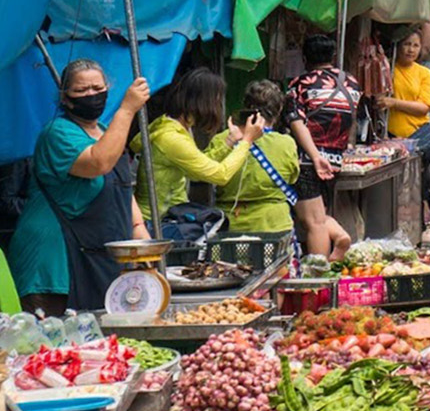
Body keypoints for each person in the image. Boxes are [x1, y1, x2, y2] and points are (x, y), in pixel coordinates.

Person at [8, 61, 152, 314]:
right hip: (54, 261)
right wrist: (127, 110)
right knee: (58, 345)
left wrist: (141, 239)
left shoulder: (106, 132)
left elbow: (121, 190)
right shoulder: (57, 133)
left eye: (97, 87)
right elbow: (99, 162)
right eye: (81, 90)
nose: (91, 95)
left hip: (95, 254)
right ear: (66, 98)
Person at [134, 68, 259, 219]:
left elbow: (195, 168)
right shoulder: (172, 138)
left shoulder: (171, 125)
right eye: (216, 101)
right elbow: (221, 175)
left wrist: (229, 141)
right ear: (203, 101)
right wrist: (247, 141)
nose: (218, 107)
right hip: (158, 222)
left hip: (169, 215)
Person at [284, 33, 362, 258]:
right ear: (333, 56)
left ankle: (318, 275)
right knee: (319, 213)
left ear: (305, 58)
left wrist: (315, 155)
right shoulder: (352, 83)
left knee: (313, 222)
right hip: (335, 161)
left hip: (309, 161)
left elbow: (296, 121)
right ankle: (336, 236)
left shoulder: (300, 84)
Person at [379, 30, 430, 226]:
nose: (411, 49)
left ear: (421, 49)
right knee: (411, 177)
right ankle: (419, 216)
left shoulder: (424, 73)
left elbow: (425, 107)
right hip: (394, 134)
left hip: (419, 133)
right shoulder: (388, 69)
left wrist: (393, 103)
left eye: (415, 45)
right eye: (407, 44)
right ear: (398, 46)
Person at [211, 82, 302, 235]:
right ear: (278, 110)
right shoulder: (286, 143)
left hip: (229, 225)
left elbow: (207, 173)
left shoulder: (223, 140)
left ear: (245, 106)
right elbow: (292, 178)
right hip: (274, 224)